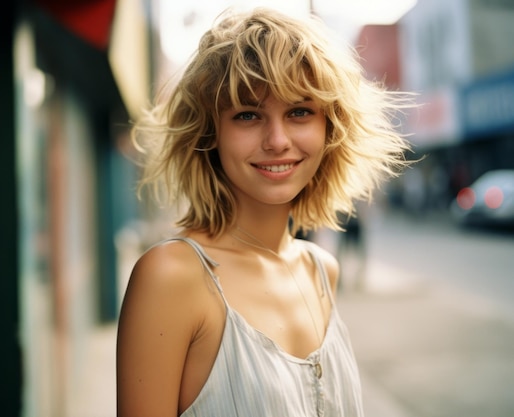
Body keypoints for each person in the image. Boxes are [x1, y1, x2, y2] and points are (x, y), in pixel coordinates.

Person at [116, 7, 412, 417]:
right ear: (210, 134)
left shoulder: (321, 270)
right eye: (248, 115)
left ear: (331, 127)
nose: (277, 140)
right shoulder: (171, 276)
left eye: (299, 112)